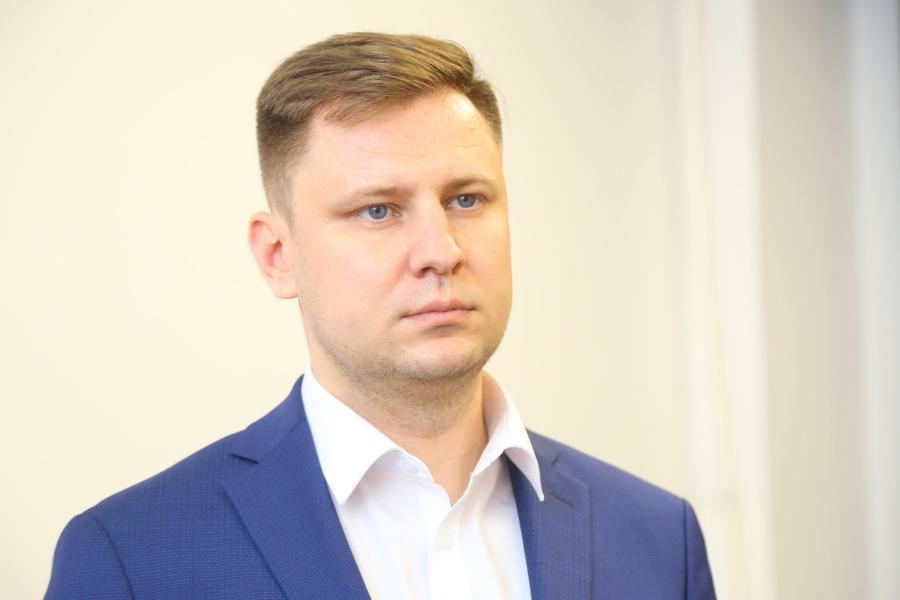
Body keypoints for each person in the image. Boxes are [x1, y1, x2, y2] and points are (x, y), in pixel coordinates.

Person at [45, 32, 716, 599]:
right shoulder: (132, 559)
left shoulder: (660, 540)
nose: (441, 251)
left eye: (466, 199)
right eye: (377, 210)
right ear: (278, 255)